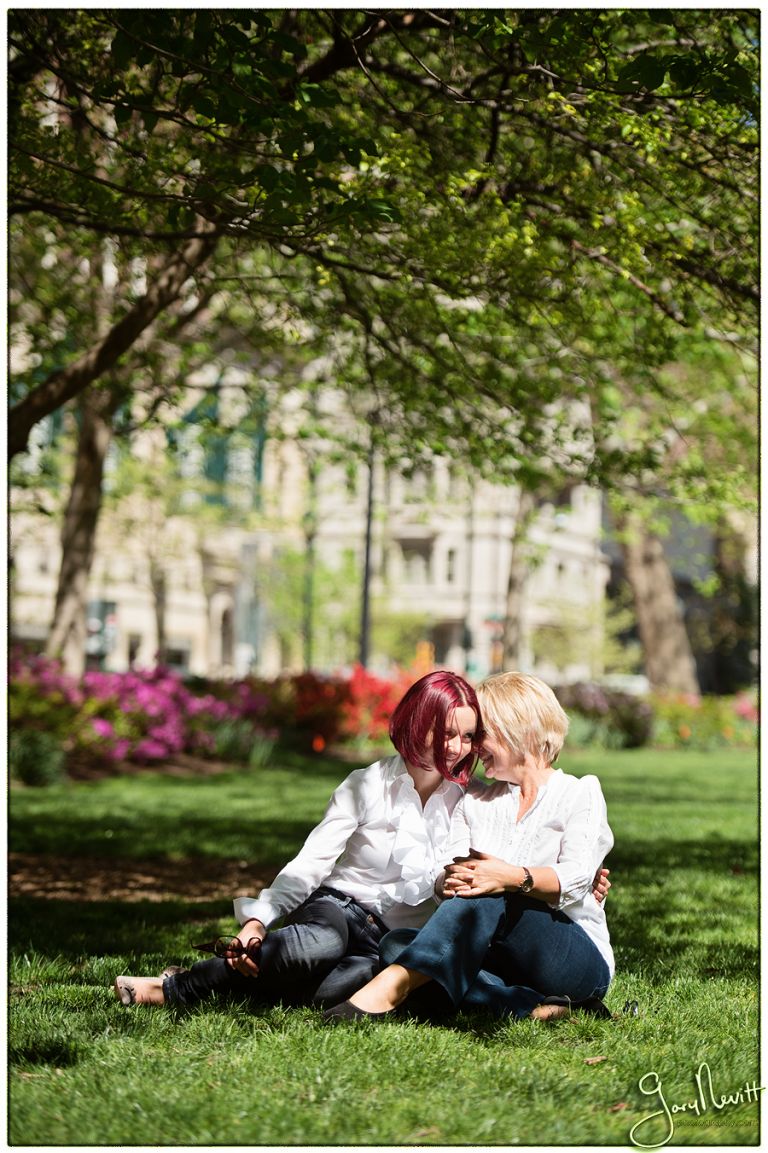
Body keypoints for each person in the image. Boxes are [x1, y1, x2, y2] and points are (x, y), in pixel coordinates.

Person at [114, 670, 484, 1009]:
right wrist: (258, 920)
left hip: (388, 939)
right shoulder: (367, 784)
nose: (457, 748)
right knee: (323, 944)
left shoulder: (467, 799)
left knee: (336, 989)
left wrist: (449, 881)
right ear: (417, 724)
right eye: (447, 733)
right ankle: (175, 990)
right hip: (339, 909)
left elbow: (445, 876)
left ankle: (195, 976)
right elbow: (313, 861)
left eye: (467, 736)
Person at [324, 671, 614, 1024]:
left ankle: (386, 990)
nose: (472, 748)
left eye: (480, 735)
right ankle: (530, 1006)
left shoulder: (579, 793)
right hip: (495, 957)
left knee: (491, 894)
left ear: (515, 730)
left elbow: (578, 876)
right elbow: (448, 867)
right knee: (397, 944)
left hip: (571, 955)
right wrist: (448, 880)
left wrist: (509, 877)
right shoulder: (476, 797)